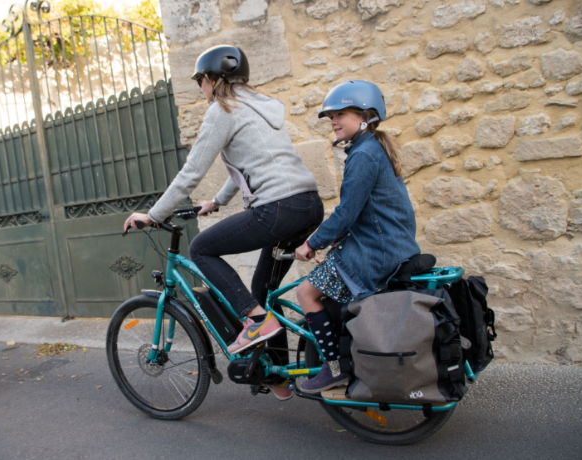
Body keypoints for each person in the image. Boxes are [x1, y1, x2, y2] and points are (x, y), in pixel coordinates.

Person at [123, 45, 324, 400]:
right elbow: (254, 159)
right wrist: (218, 201)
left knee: (201, 248)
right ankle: (275, 375)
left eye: (201, 80)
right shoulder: (258, 107)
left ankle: (256, 321)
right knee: (263, 290)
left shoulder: (222, 110)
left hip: (276, 208)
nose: (201, 88)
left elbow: (191, 172)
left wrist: (154, 215)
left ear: (213, 80)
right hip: (306, 205)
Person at [293, 80, 421, 394]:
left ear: (365, 115)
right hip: (390, 245)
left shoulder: (364, 155)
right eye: (330, 116)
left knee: (306, 293)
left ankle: (334, 369)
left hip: (377, 252)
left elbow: (347, 213)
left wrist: (311, 243)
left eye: (341, 114)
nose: (333, 121)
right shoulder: (373, 148)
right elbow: (366, 212)